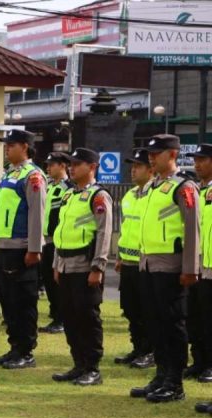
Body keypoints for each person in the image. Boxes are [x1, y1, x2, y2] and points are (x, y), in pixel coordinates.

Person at [130, 134, 199, 403]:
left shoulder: (183, 187)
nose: (151, 158)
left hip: (171, 265)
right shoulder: (152, 186)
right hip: (149, 263)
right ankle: (161, 375)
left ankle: (175, 382)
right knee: (155, 323)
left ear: (172, 154)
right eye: (149, 153)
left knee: (172, 324)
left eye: (156, 153)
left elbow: (192, 229)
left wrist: (190, 267)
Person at [51, 148, 112, 386]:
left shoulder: (98, 196)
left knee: (87, 318)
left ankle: (92, 367)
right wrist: (57, 264)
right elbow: (61, 231)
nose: (72, 168)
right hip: (66, 265)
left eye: (77, 164)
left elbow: (104, 232)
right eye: (71, 164)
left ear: (92, 167)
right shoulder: (69, 195)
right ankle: (79, 364)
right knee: (70, 317)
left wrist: (98, 267)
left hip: (85, 266)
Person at [0, 129, 46, 370]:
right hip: (3, 246)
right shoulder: (10, 174)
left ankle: (25, 351)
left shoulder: (32, 176)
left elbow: (37, 214)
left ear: (24, 147)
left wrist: (34, 248)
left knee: (23, 301)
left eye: (11, 145)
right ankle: (14, 347)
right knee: (9, 301)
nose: (6, 149)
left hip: (21, 247)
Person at [114, 148, 155, 369]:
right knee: (130, 308)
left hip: (145, 262)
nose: (133, 170)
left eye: (138, 166)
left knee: (147, 309)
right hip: (128, 261)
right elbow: (125, 227)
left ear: (150, 170)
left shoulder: (154, 194)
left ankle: (150, 351)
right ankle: (138, 347)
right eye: (132, 166)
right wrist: (119, 256)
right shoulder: (130, 195)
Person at [187, 143, 212, 383]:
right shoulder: (196, 190)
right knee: (195, 316)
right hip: (196, 263)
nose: (197, 164)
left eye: (202, 160)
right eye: (195, 160)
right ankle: (200, 361)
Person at [40, 152, 72, 334]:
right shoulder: (49, 186)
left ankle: (62, 319)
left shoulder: (68, 188)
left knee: (57, 281)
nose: (48, 168)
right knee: (47, 279)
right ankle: (55, 314)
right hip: (45, 240)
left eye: (52, 164)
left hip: (58, 241)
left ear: (62, 166)